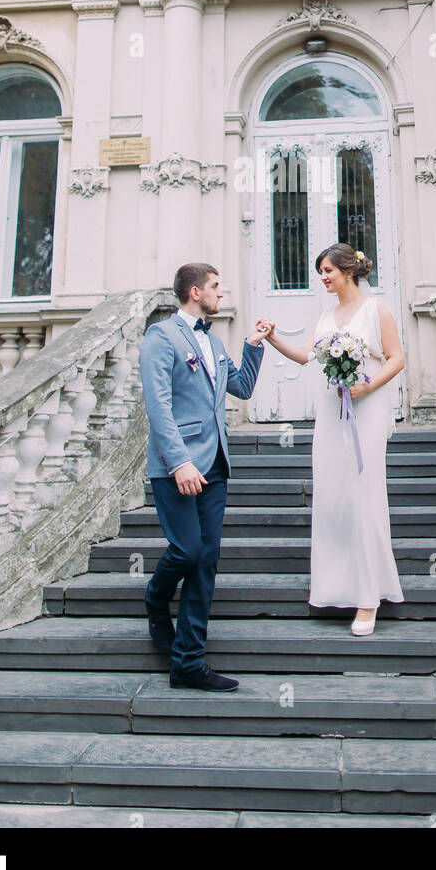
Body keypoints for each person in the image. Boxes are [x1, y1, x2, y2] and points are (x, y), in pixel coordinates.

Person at [139, 262, 272, 690]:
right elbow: (158, 406)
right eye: (216, 286)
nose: (221, 292)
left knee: (206, 562)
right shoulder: (161, 336)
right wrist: (179, 462)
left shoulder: (213, 343)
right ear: (195, 292)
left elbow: (242, 387)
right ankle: (156, 600)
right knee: (188, 551)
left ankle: (188, 663)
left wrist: (253, 345)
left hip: (215, 465)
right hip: (176, 466)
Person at [262, 243, 405, 635]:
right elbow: (307, 356)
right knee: (333, 497)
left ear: (348, 270)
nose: (323, 277)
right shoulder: (325, 314)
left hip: (367, 408)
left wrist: (367, 387)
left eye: (327, 270)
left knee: (363, 494)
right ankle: (333, 587)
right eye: (320, 272)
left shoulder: (377, 310)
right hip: (331, 410)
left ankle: (367, 599)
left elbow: (396, 358)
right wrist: (274, 338)